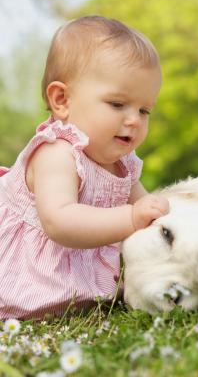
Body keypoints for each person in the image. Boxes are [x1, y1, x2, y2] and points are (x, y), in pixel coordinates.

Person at [0, 16, 170, 319]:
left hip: (73, 269)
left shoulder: (124, 164)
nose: (134, 120)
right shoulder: (56, 152)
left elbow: (147, 206)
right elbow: (60, 222)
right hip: (28, 262)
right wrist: (132, 217)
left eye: (144, 110)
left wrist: (159, 215)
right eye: (118, 104)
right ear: (62, 100)